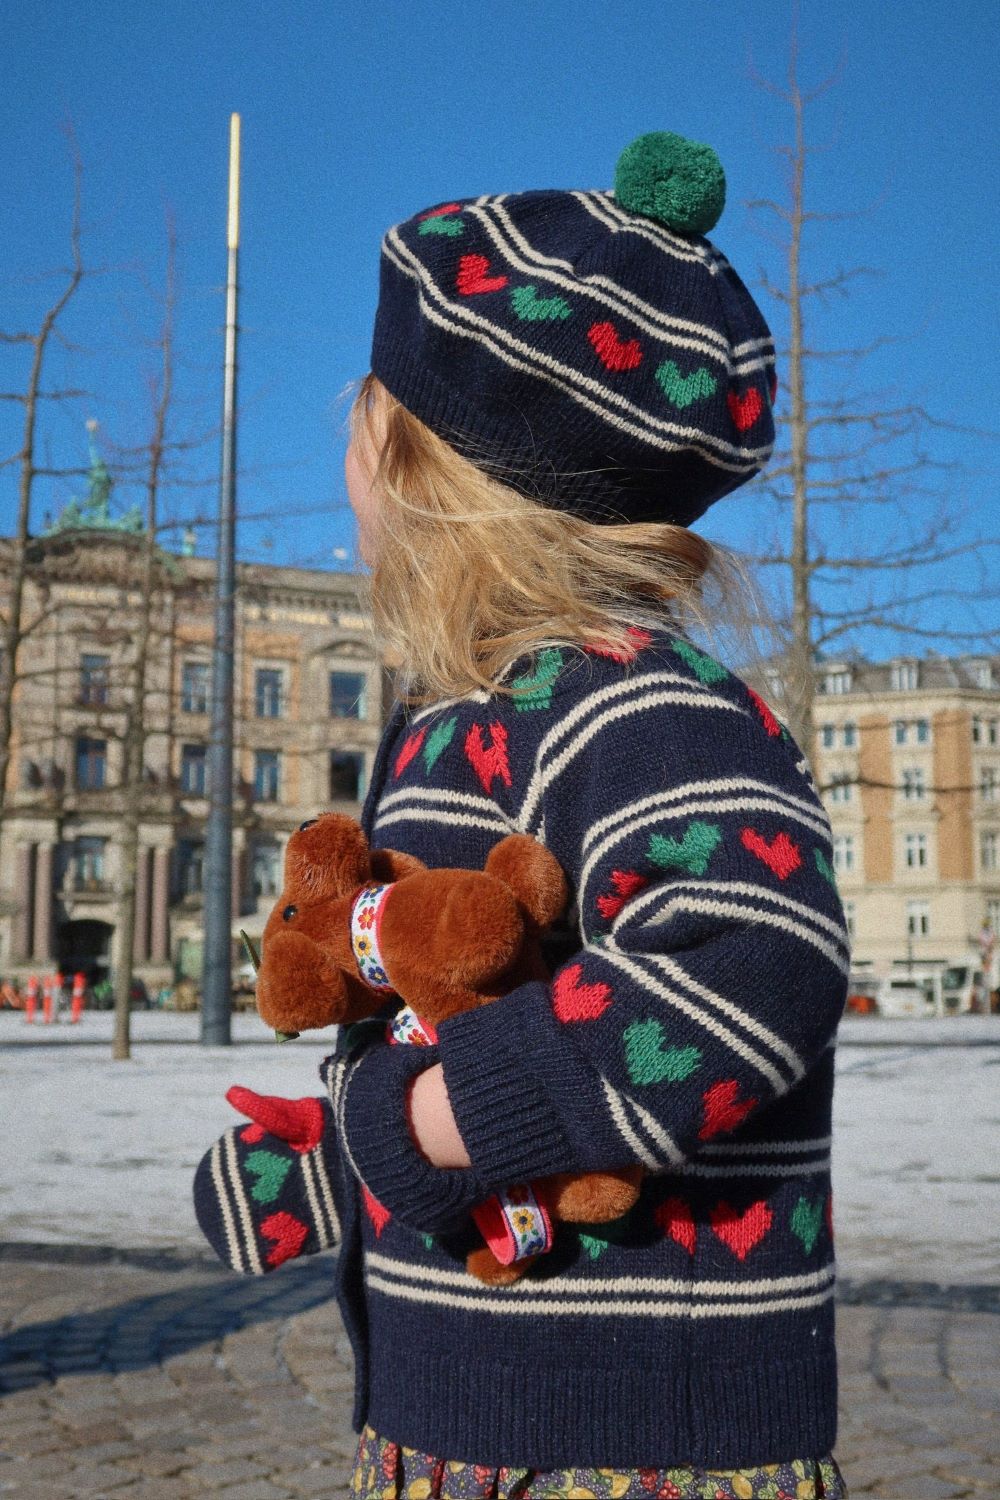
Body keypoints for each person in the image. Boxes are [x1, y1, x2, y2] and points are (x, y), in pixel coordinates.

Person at [195, 132, 849, 1499]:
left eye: (365, 432)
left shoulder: (644, 712)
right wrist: (338, 1154)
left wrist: (425, 1125)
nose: (349, 473)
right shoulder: (447, 724)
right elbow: (466, 1012)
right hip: (463, 1410)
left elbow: (751, 963)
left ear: (441, 484)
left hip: (629, 1442)